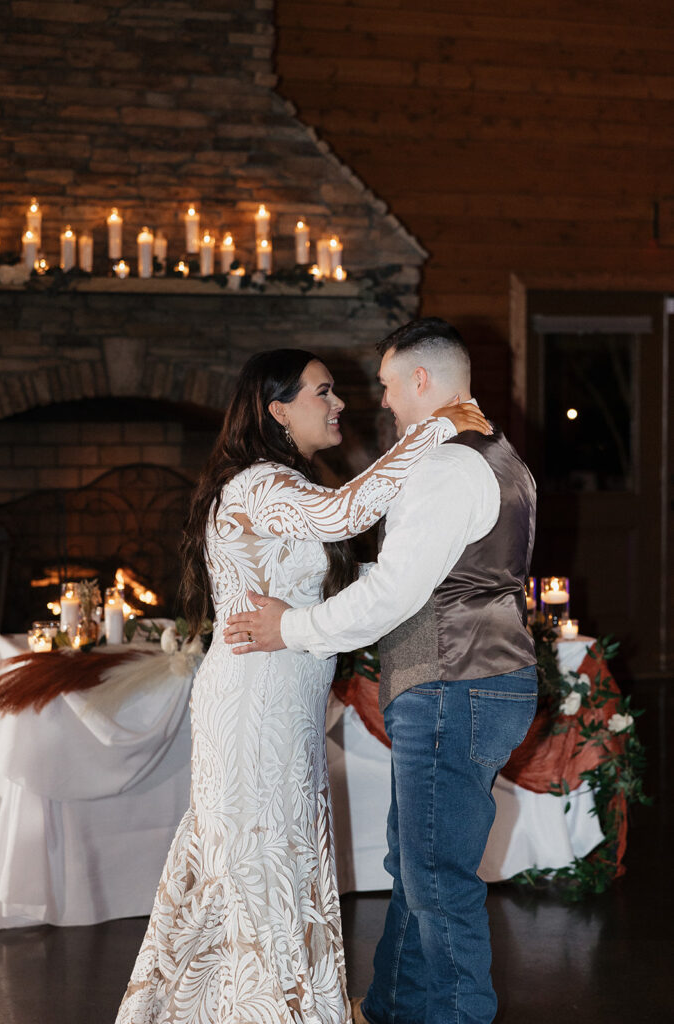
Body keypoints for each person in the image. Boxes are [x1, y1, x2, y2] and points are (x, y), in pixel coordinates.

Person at [114, 347, 490, 1024]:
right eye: (322, 392)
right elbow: (344, 515)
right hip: (252, 706)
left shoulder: (281, 482)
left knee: (276, 869)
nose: (338, 402)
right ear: (276, 408)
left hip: (283, 705)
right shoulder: (258, 482)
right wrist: (440, 426)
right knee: (259, 871)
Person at [224, 320, 539, 1024]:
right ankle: (396, 1006)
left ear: (422, 381)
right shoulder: (497, 454)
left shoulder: (443, 464)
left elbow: (397, 594)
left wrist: (291, 628)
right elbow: (442, 575)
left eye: (392, 386)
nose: (386, 402)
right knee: (416, 865)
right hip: (478, 679)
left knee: (437, 879)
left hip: (451, 682)